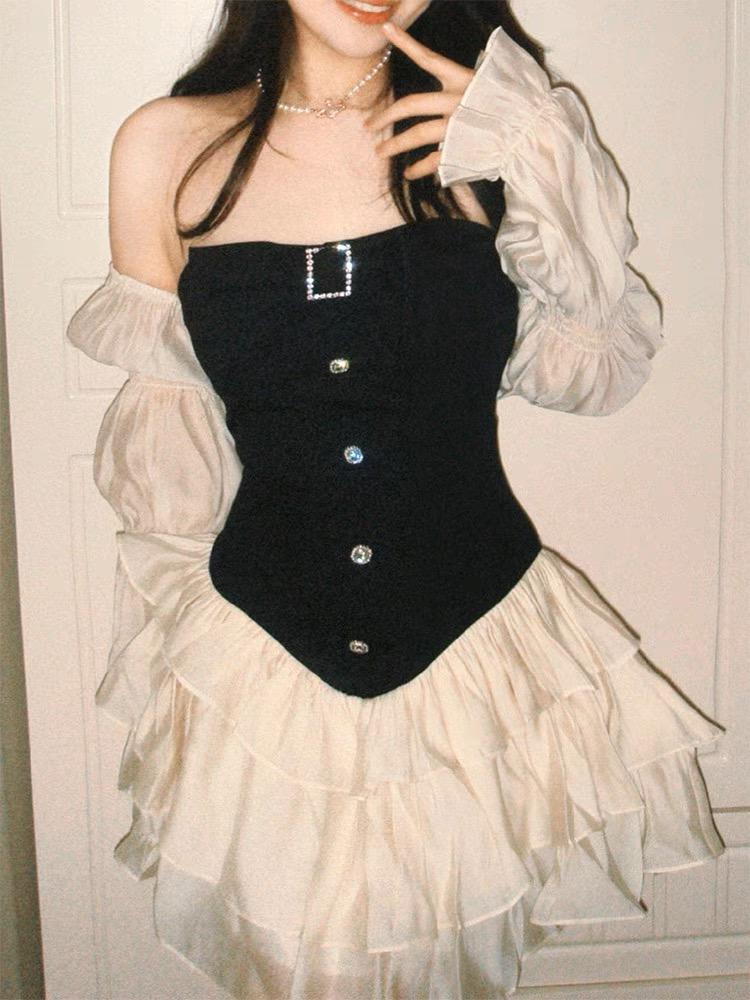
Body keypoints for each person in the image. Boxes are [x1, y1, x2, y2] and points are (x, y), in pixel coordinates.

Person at [66, 1, 727, 997]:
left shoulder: (491, 138)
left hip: (474, 665)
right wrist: (182, 678)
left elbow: (589, 370)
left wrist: (539, 146)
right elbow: (168, 469)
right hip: (268, 672)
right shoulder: (166, 147)